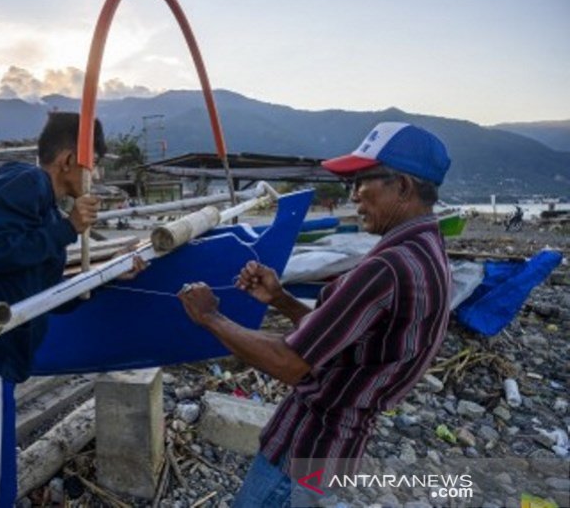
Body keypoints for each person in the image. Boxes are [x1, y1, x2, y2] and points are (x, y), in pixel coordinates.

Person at [178, 122, 452, 507]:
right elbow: (342, 339)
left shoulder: (389, 266)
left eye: (362, 181)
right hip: (338, 447)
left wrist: (211, 318)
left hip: (307, 445)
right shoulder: (427, 251)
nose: (354, 195)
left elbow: (292, 364)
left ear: (403, 186)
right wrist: (281, 299)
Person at [0, 112, 109, 507]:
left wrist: (102, 282)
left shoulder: (45, 212)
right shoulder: (25, 182)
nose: (95, 173)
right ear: (68, 160)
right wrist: (68, 229)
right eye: (93, 161)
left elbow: (38, 294)